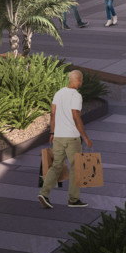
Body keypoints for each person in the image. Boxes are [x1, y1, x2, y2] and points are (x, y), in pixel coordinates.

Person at [36, 70, 94, 210]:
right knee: (75, 168)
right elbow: (76, 115)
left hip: (58, 136)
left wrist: (52, 132)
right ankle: (73, 200)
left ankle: (44, 193)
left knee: (56, 165)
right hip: (72, 137)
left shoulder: (59, 93)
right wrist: (85, 137)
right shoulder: (76, 95)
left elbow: (53, 113)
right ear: (79, 80)